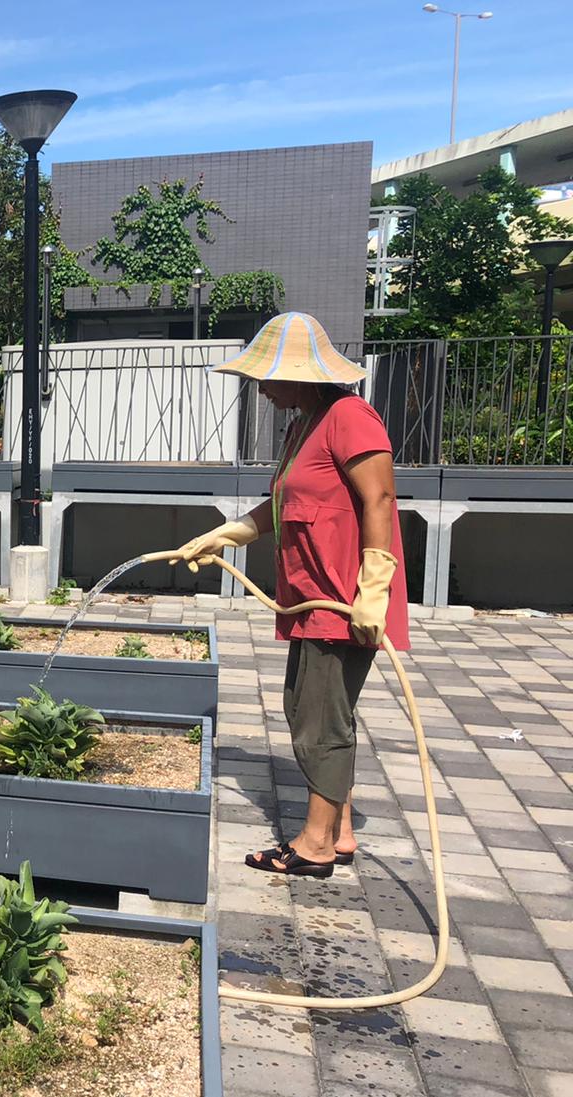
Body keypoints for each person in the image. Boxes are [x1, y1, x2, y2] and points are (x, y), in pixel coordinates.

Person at [174, 312, 409, 878]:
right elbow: (283, 504)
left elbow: (379, 502)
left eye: (266, 376)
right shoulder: (304, 424)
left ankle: (315, 845)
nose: (260, 387)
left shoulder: (350, 418)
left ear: (299, 375)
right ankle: (341, 830)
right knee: (311, 709)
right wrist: (227, 533)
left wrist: (372, 589)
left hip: (342, 599)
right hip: (309, 596)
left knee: (319, 719)